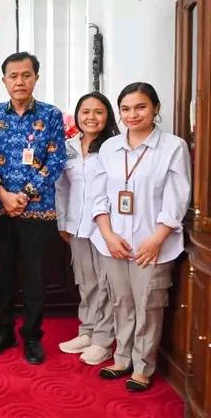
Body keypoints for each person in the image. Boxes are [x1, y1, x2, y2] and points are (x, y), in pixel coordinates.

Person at [91, 82, 191, 392]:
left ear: (155, 108)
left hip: (153, 244)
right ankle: (121, 359)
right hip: (114, 243)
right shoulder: (109, 148)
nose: (132, 114)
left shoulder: (173, 147)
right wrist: (108, 235)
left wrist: (157, 238)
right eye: (125, 109)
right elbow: (98, 197)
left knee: (149, 305)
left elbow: (177, 199)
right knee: (121, 303)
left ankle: (143, 367)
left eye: (140, 107)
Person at [0, 51, 66, 364]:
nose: (19, 81)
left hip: (37, 211)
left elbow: (56, 159)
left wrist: (25, 194)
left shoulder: (51, 115)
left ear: (36, 79)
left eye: (26, 75)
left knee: (34, 279)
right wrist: (3, 194)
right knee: (1, 275)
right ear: (4, 80)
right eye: (13, 76)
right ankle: (3, 332)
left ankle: (31, 336)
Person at [56, 92, 119, 365]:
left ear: (108, 116)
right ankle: (88, 331)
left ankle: (103, 341)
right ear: (77, 116)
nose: (91, 117)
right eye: (85, 112)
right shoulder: (68, 146)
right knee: (85, 281)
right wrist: (62, 222)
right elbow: (62, 187)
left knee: (106, 284)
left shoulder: (114, 148)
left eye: (98, 112)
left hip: (105, 227)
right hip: (76, 225)